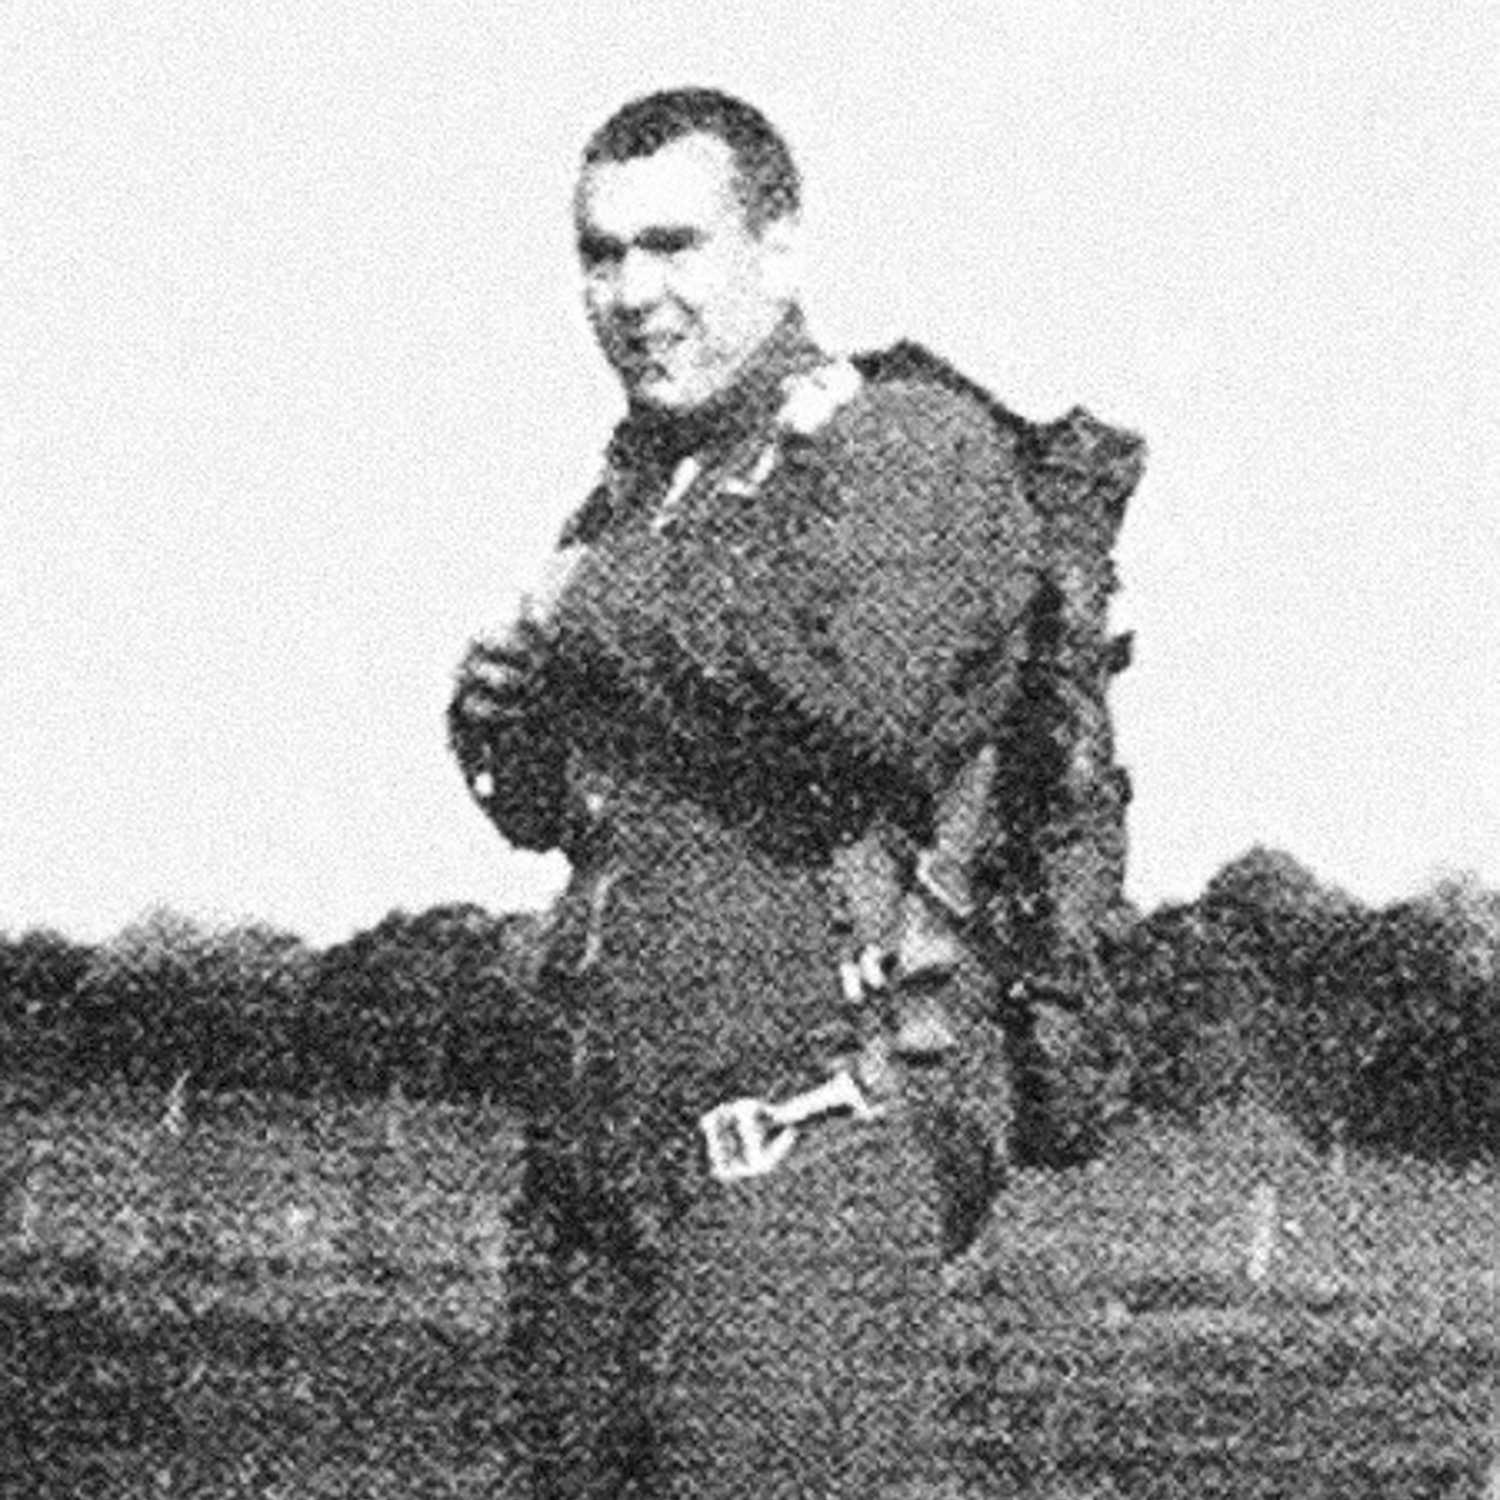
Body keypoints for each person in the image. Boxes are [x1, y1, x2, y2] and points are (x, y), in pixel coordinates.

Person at [448, 86, 1087, 1499]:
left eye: (674, 245)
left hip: (800, 1188)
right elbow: (579, 812)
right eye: (600, 256)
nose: (633, 295)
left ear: (781, 248)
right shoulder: (645, 493)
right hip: (600, 1213)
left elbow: (856, 693)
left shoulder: (906, 446)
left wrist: (586, 613)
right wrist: (498, 710)